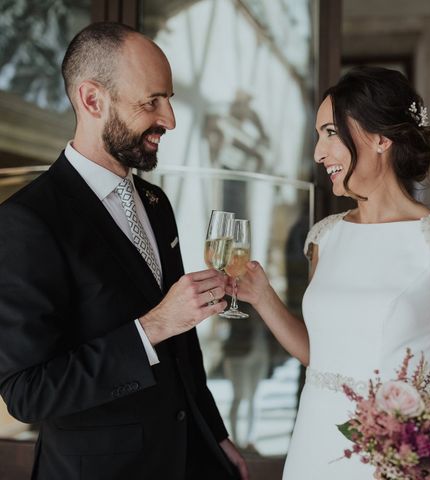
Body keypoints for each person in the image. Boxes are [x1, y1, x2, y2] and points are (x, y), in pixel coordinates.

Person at [0, 22, 249, 480]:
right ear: (92, 100)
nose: (170, 119)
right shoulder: (27, 221)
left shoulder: (156, 203)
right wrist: (153, 325)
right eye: (151, 101)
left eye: (170, 99)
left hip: (188, 459)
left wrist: (214, 434)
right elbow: (27, 393)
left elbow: (183, 347)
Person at [230, 66, 430, 479]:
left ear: (380, 139)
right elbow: (321, 357)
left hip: (394, 455)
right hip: (314, 441)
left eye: (330, 133)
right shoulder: (325, 238)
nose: (319, 153)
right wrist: (263, 297)